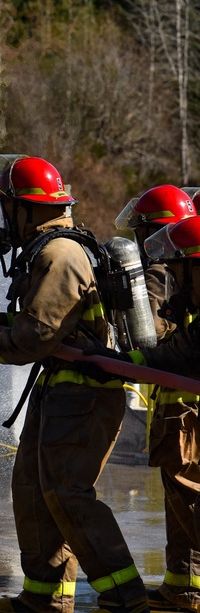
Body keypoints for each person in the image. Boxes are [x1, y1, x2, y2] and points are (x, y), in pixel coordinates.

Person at [0, 154, 148, 613]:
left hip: (82, 395)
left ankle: (125, 596)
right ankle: (44, 598)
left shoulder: (61, 255)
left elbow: (37, 335)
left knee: (67, 494)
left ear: (27, 207)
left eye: (7, 206)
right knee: (34, 491)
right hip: (61, 390)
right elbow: (43, 325)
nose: (4, 219)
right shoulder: (51, 248)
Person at [132, 213, 200, 612]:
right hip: (179, 409)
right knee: (182, 505)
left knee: (190, 501)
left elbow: (178, 353)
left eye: (181, 271)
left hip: (186, 413)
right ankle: (183, 587)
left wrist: (121, 359)